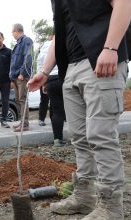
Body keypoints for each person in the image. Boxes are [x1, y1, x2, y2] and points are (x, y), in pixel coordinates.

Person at [28, 0, 131, 218]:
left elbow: (124, 3)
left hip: (101, 61)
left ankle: (111, 208)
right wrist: (45, 72)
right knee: (80, 137)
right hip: (71, 68)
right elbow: (60, 35)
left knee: (101, 136)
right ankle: (84, 197)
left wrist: (111, 47)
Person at [36, 36, 66, 147]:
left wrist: (43, 83)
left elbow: (40, 64)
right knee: (72, 108)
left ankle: (57, 139)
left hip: (50, 80)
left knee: (56, 110)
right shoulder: (64, 40)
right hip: (64, 77)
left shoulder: (44, 47)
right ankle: (79, 138)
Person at [10, 23, 33, 132]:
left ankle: (25, 124)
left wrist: (23, 73)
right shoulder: (18, 43)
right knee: (19, 100)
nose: (12, 34)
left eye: (12, 32)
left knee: (23, 99)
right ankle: (22, 121)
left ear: (16, 31)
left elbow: (28, 57)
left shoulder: (26, 40)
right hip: (15, 77)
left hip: (21, 76)